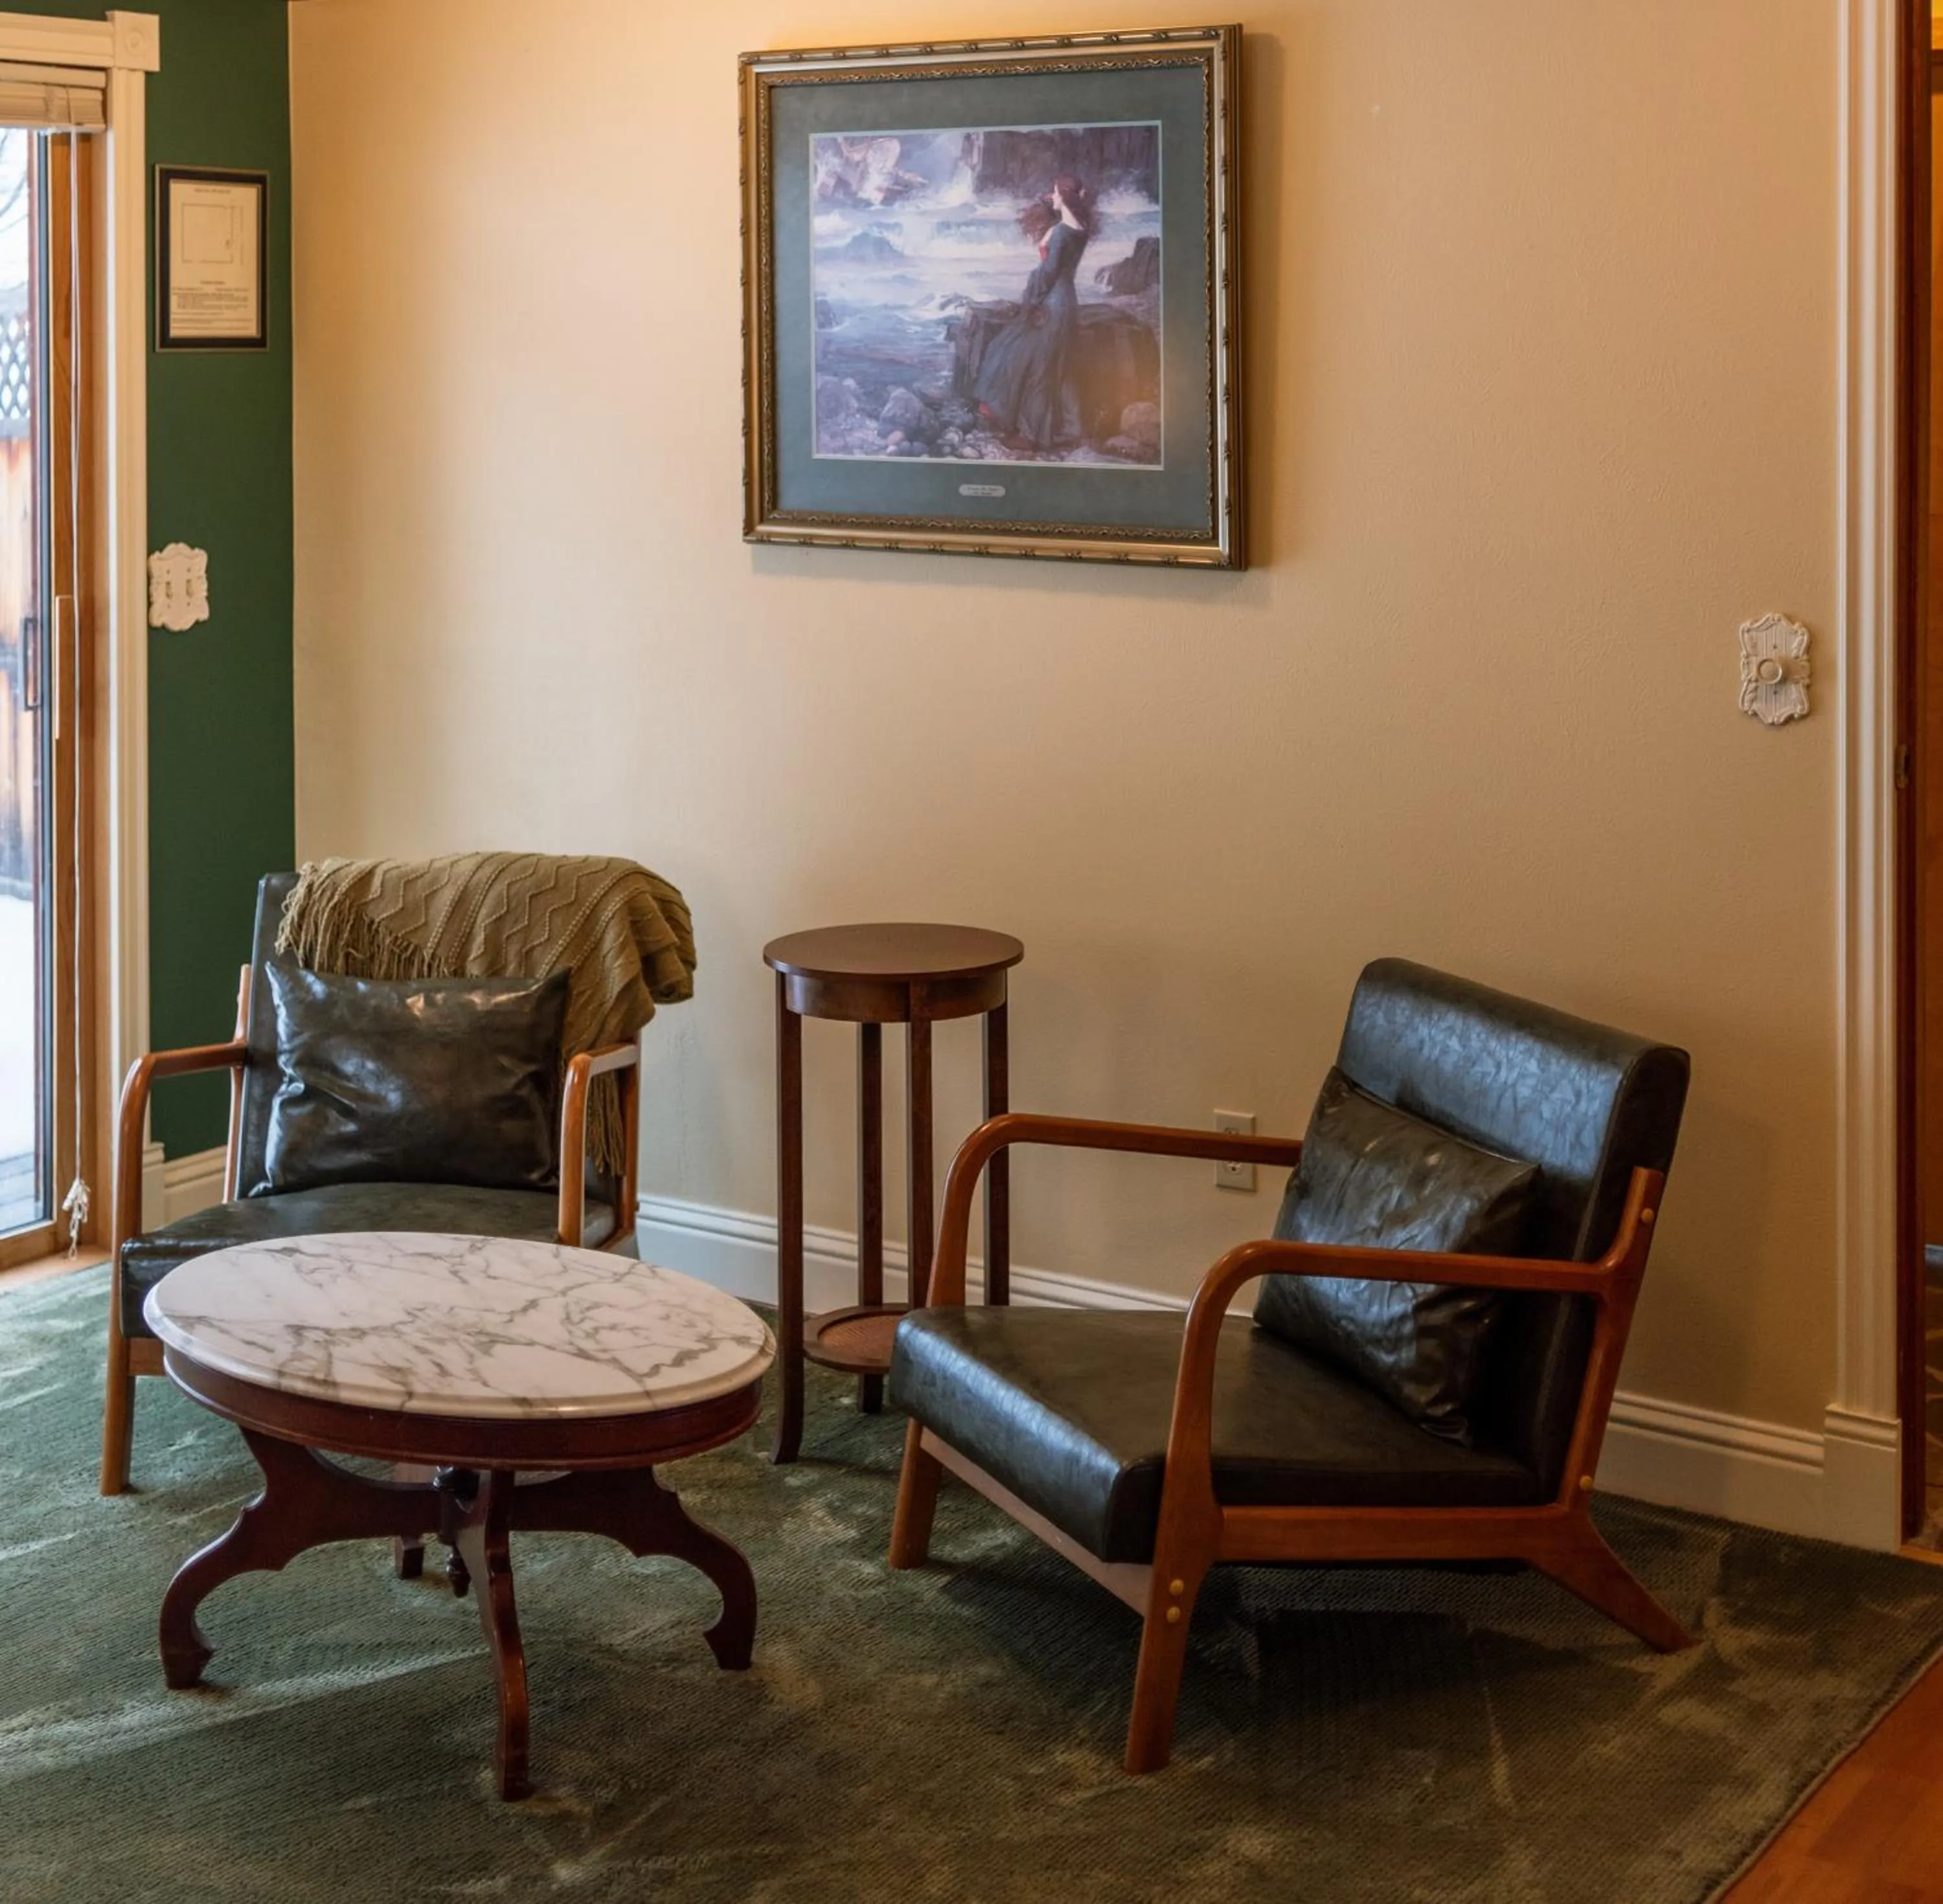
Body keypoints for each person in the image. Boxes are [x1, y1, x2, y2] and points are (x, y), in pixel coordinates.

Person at [972, 175, 1094, 456]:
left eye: (1056, 193)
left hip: (1051, 303)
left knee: (1032, 365)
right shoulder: (1080, 229)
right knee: (1060, 367)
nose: (1052, 197)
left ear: (1064, 196)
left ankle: (1031, 435)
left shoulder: (1062, 233)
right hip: (1068, 302)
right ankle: (1074, 430)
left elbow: (1049, 273)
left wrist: (1031, 301)